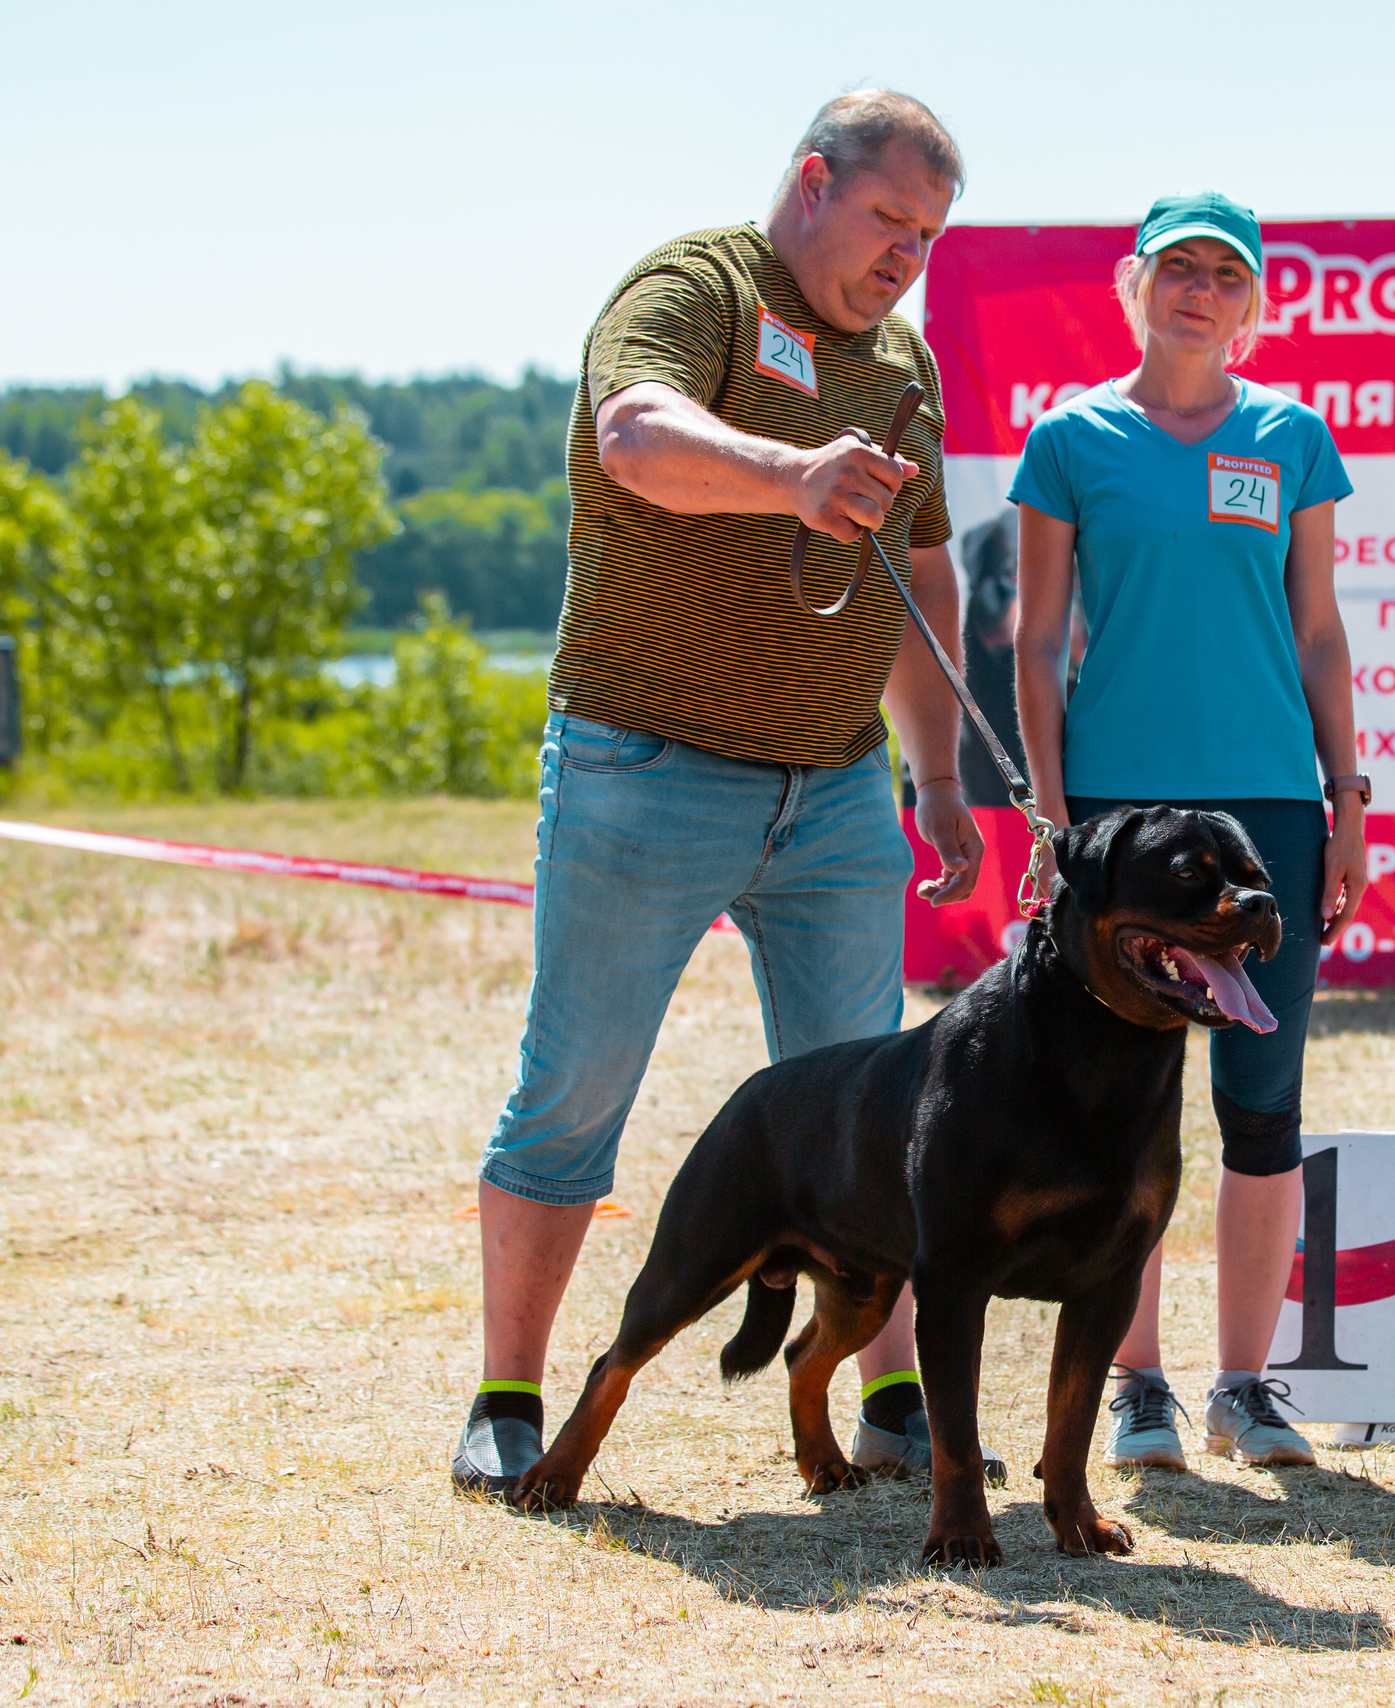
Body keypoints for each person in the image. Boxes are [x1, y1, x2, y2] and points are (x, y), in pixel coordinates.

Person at [453, 90, 999, 1499]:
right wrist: (793, 473)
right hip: (642, 767)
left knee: (883, 1116)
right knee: (574, 1089)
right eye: (888, 220)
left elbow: (924, 577)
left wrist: (937, 776)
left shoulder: (906, 366)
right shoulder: (694, 285)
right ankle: (509, 1398)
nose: (905, 259)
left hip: (833, 795)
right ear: (812, 182)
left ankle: (893, 1408)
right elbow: (637, 434)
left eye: (929, 237)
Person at [1008, 192, 1370, 1470]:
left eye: (1227, 272)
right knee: (1123, 1107)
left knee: (1261, 1102)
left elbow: (1318, 632)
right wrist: (1053, 818)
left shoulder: (1293, 437)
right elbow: (1038, 639)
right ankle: (1138, 1383)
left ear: (1254, 301)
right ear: (1132, 285)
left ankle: (1247, 1386)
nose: (1200, 289)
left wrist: (1345, 800)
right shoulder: (1070, 438)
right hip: (1119, 823)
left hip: (1270, 807)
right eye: (1178, 268)